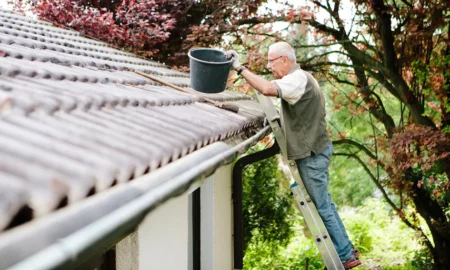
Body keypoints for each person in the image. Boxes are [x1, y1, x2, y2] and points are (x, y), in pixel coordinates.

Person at [225, 42, 361, 269]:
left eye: (271, 61)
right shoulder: (301, 78)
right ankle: (346, 248)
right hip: (315, 151)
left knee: (322, 207)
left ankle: (346, 255)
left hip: (312, 154)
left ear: (285, 60)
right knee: (325, 203)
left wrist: (239, 68)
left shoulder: (297, 80)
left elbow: (268, 89)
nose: (269, 66)